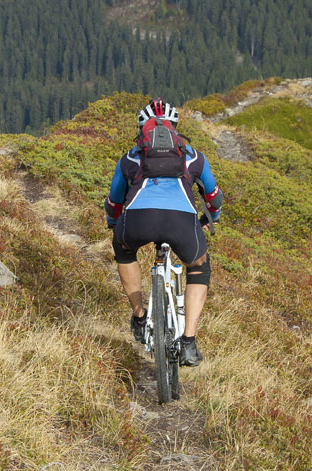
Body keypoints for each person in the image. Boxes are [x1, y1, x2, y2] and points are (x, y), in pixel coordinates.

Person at [105, 98, 223, 367]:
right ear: (174, 130)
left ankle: (139, 317)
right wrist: (210, 218)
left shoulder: (131, 157)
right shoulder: (193, 156)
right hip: (182, 222)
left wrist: (115, 225)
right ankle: (189, 342)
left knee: (124, 250)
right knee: (198, 268)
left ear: (143, 131)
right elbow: (213, 196)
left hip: (138, 220)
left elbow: (114, 202)